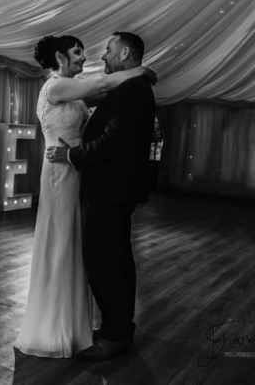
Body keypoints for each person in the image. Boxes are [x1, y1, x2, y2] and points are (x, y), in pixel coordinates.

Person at [15, 34, 155, 358]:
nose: (87, 58)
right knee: (66, 244)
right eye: (78, 54)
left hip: (80, 173)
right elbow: (103, 88)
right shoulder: (55, 87)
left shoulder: (78, 91)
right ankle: (57, 324)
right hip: (61, 174)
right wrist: (139, 71)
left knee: (90, 250)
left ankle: (91, 326)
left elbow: (105, 108)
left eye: (97, 52)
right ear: (60, 59)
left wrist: (136, 74)